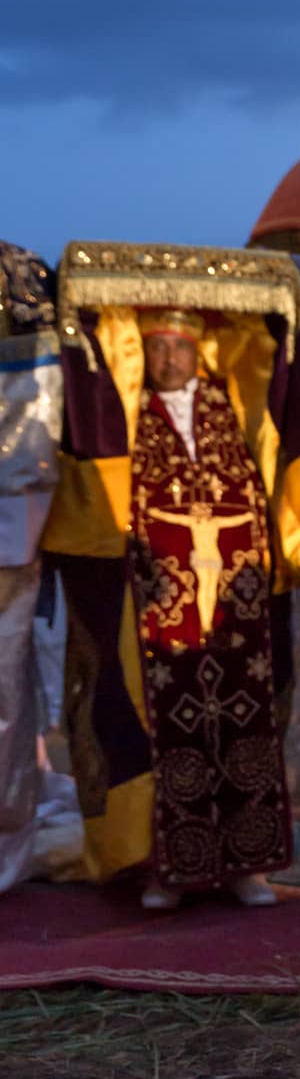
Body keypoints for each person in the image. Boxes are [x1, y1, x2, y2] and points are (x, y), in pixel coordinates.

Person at [46, 253, 300, 913]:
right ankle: (164, 869)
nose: (168, 360)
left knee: (242, 731)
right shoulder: (134, 424)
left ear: (197, 351)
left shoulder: (228, 419)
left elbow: (256, 502)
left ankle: (246, 866)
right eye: (157, 348)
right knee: (162, 731)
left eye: (178, 347)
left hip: (235, 606)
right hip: (163, 609)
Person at [0, 241, 62, 894]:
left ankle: (6, 837)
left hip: (6, 525)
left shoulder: (16, 276)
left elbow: (36, 426)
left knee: (5, 693)